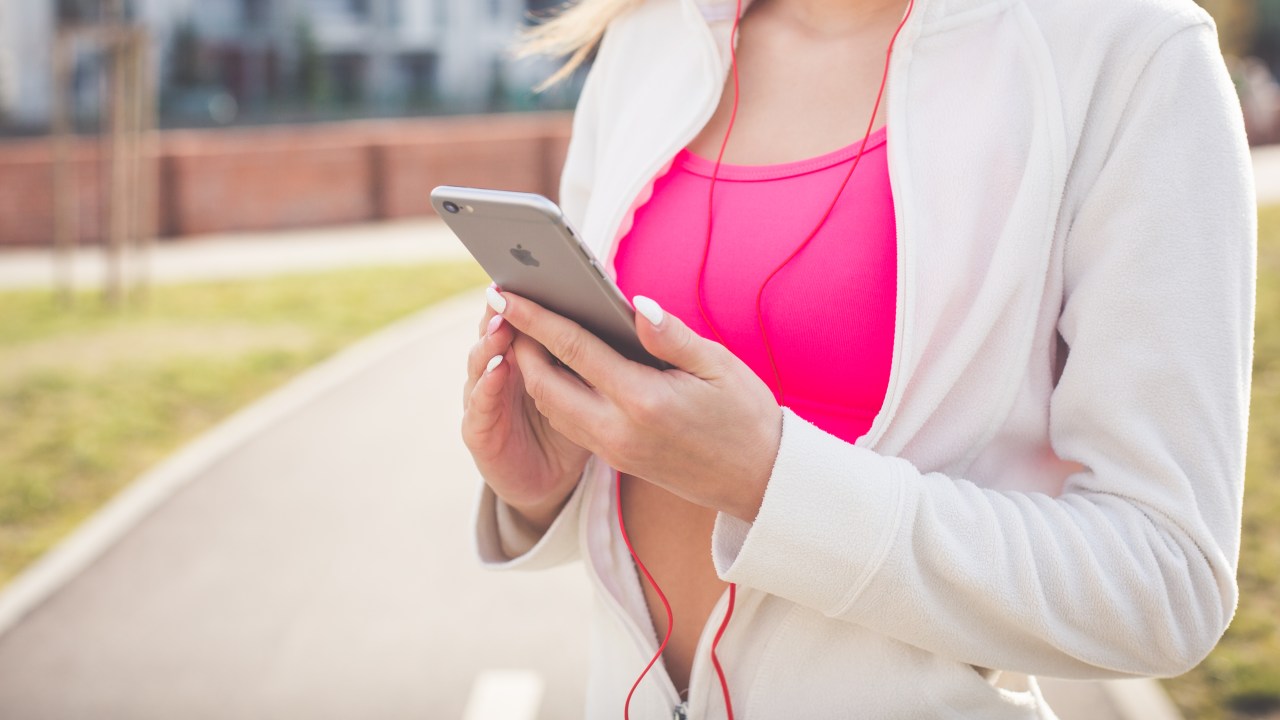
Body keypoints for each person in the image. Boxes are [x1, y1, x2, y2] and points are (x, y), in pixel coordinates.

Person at [460, 0, 1257, 717]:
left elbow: (1165, 582)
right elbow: (650, 460)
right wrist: (549, 491)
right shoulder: (648, 36)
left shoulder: (1131, 53)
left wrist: (772, 481)